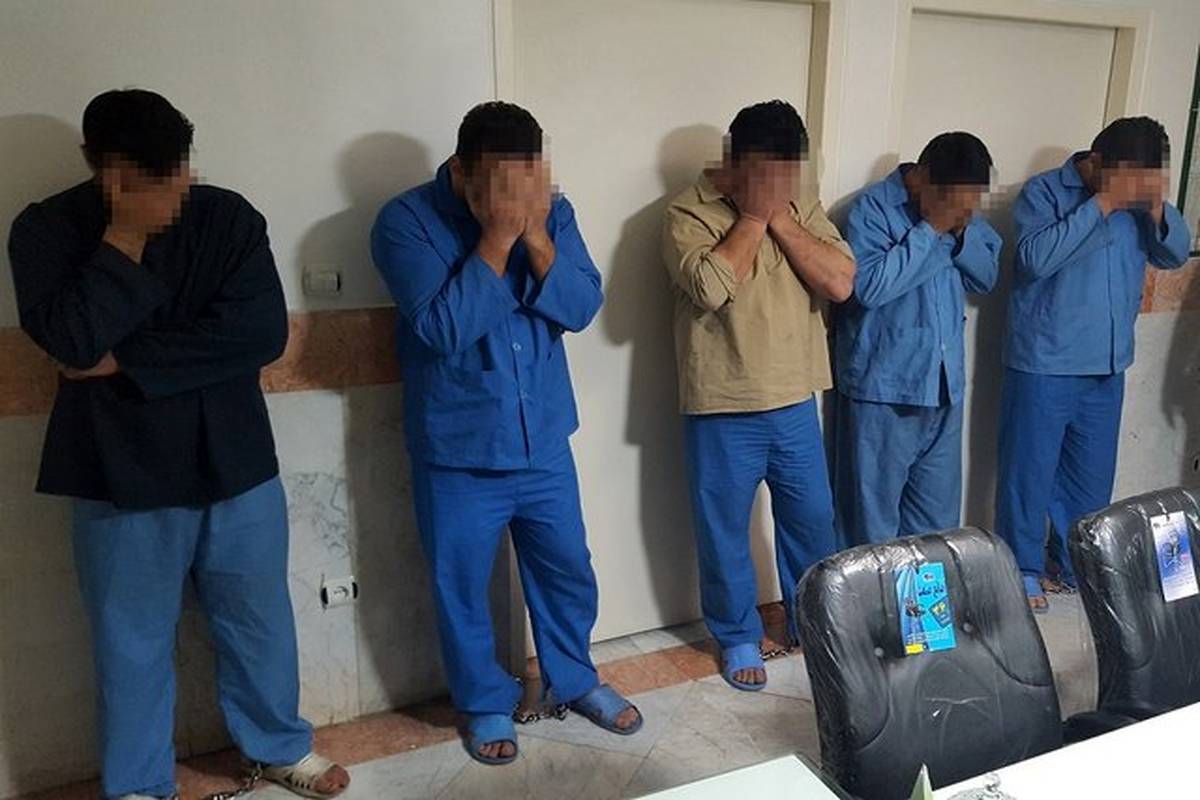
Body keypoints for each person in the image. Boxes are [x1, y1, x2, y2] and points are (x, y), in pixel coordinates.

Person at [6, 90, 348, 800]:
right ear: (102, 169)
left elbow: (260, 335)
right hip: (117, 470)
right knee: (130, 641)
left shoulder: (226, 216)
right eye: (151, 176)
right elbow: (73, 341)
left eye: (178, 168)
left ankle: (278, 746)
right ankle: (138, 785)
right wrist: (125, 238)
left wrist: (124, 359)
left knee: (258, 619)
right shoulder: (45, 230)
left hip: (235, 458)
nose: (174, 187)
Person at [370, 101, 642, 766]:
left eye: (530, 180)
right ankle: (486, 702)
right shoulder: (405, 222)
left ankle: (574, 678)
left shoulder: (555, 211)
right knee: (462, 586)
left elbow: (582, 307)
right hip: (457, 449)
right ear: (461, 169)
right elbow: (442, 329)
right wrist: (496, 240)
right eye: (499, 183)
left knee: (568, 570)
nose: (518, 198)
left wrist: (539, 237)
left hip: (543, 437)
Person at [661, 100, 855, 692]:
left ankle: (814, 622)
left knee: (813, 523)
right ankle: (737, 634)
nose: (785, 185)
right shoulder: (686, 212)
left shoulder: (800, 205)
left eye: (791, 172)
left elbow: (840, 282)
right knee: (723, 532)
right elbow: (709, 287)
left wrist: (782, 220)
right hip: (722, 402)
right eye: (773, 174)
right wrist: (751, 217)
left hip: (794, 396)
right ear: (737, 162)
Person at [995, 116, 1191, 612]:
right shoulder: (1044, 193)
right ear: (1097, 162)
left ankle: (1075, 564)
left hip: (1107, 364)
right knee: (1028, 475)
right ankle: (1022, 569)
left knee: (1090, 479)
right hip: (1045, 361)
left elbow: (1173, 256)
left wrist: (1155, 207)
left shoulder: (1139, 204)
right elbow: (1034, 259)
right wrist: (1102, 204)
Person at [834, 132, 1001, 544]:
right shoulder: (873, 209)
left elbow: (986, 276)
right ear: (923, 178)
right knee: (873, 530)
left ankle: (926, 594)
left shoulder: (961, 214)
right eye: (956, 203)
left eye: (970, 204)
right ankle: (878, 593)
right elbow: (870, 288)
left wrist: (957, 235)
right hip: (885, 392)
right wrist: (931, 230)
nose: (964, 212)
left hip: (943, 389)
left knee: (936, 532)